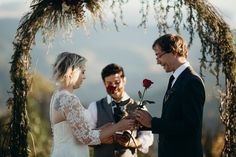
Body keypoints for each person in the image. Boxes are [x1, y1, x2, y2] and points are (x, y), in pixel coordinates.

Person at [49, 52, 135, 157]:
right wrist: (118, 126)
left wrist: (106, 128)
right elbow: (86, 137)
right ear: (72, 71)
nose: (84, 77)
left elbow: (77, 134)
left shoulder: (57, 95)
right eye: (83, 72)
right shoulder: (69, 99)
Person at [135, 34, 205, 157]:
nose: (157, 61)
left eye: (158, 55)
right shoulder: (175, 79)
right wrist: (142, 124)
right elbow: (173, 121)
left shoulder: (191, 82)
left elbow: (190, 127)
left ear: (173, 51)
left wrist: (153, 123)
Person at [88, 63, 154, 157]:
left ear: (124, 80)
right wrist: (101, 139)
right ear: (104, 84)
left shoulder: (139, 106)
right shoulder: (94, 107)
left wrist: (133, 142)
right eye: (109, 83)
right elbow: (86, 137)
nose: (114, 86)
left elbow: (148, 136)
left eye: (117, 82)